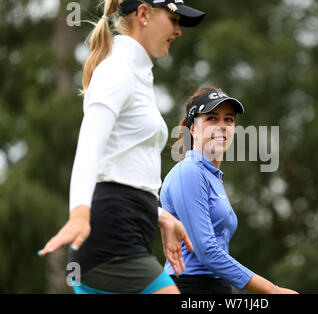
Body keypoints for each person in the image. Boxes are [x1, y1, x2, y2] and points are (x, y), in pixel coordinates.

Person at [38, 0, 205, 294]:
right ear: (143, 14)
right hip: (110, 244)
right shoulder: (117, 70)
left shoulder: (138, 73)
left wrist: (161, 216)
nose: (178, 31)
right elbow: (89, 146)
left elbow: (123, 167)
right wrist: (78, 214)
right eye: (174, 19)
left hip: (122, 239)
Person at [160, 86, 299, 294]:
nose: (222, 126)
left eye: (229, 119)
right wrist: (271, 289)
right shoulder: (189, 171)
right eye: (212, 118)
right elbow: (207, 251)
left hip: (215, 286)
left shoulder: (211, 177)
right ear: (193, 129)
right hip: (189, 287)